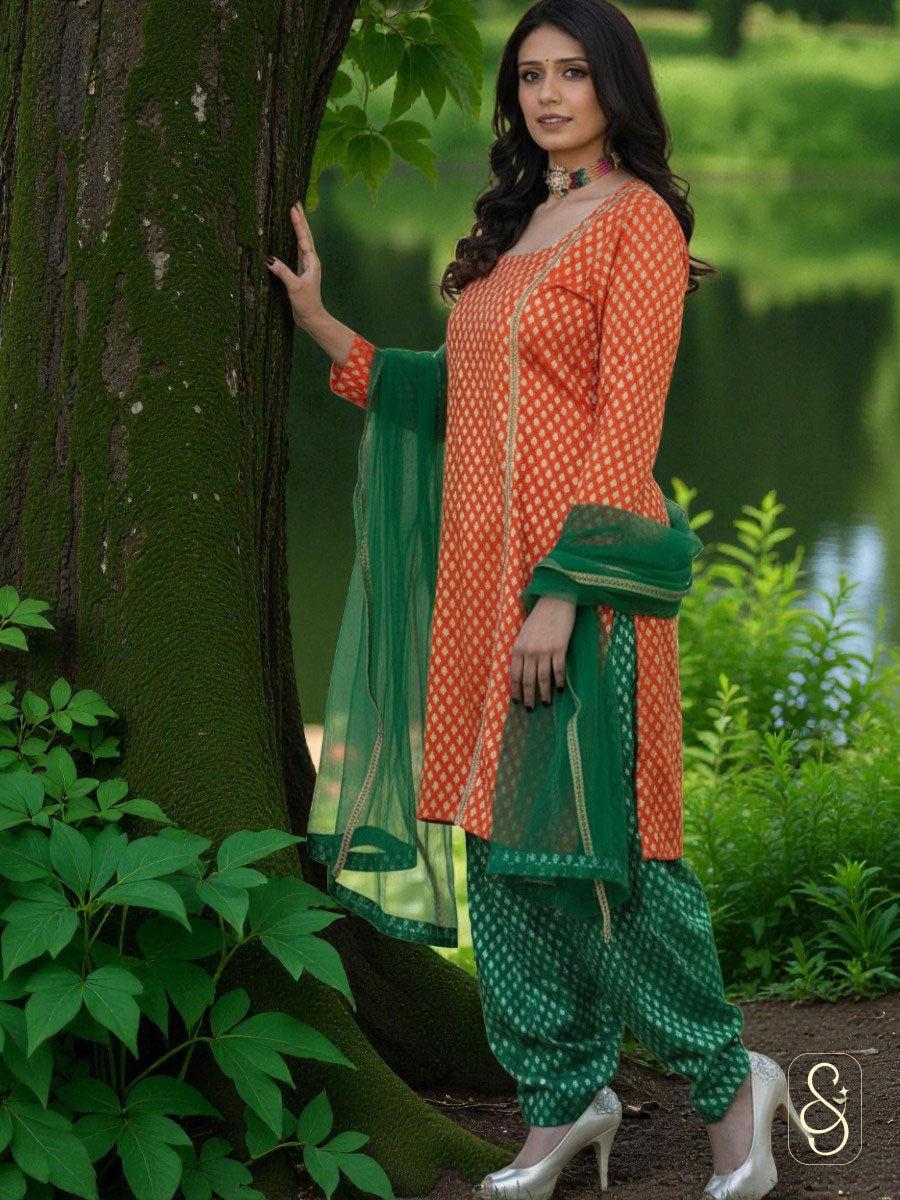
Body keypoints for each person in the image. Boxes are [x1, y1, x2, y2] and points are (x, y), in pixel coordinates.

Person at [266, 3, 805, 1197]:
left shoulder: (640, 225)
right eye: (529, 77)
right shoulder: (520, 229)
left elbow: (626, 429)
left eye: (572, 73)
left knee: (601, 851)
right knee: (500, 853)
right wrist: (324, 331)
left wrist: (561, 593)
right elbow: (463, 396)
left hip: (583, 586)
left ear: (616, 86)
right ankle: (564, 1101)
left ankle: (731, 1090)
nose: (548, 94)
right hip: (478, 587)